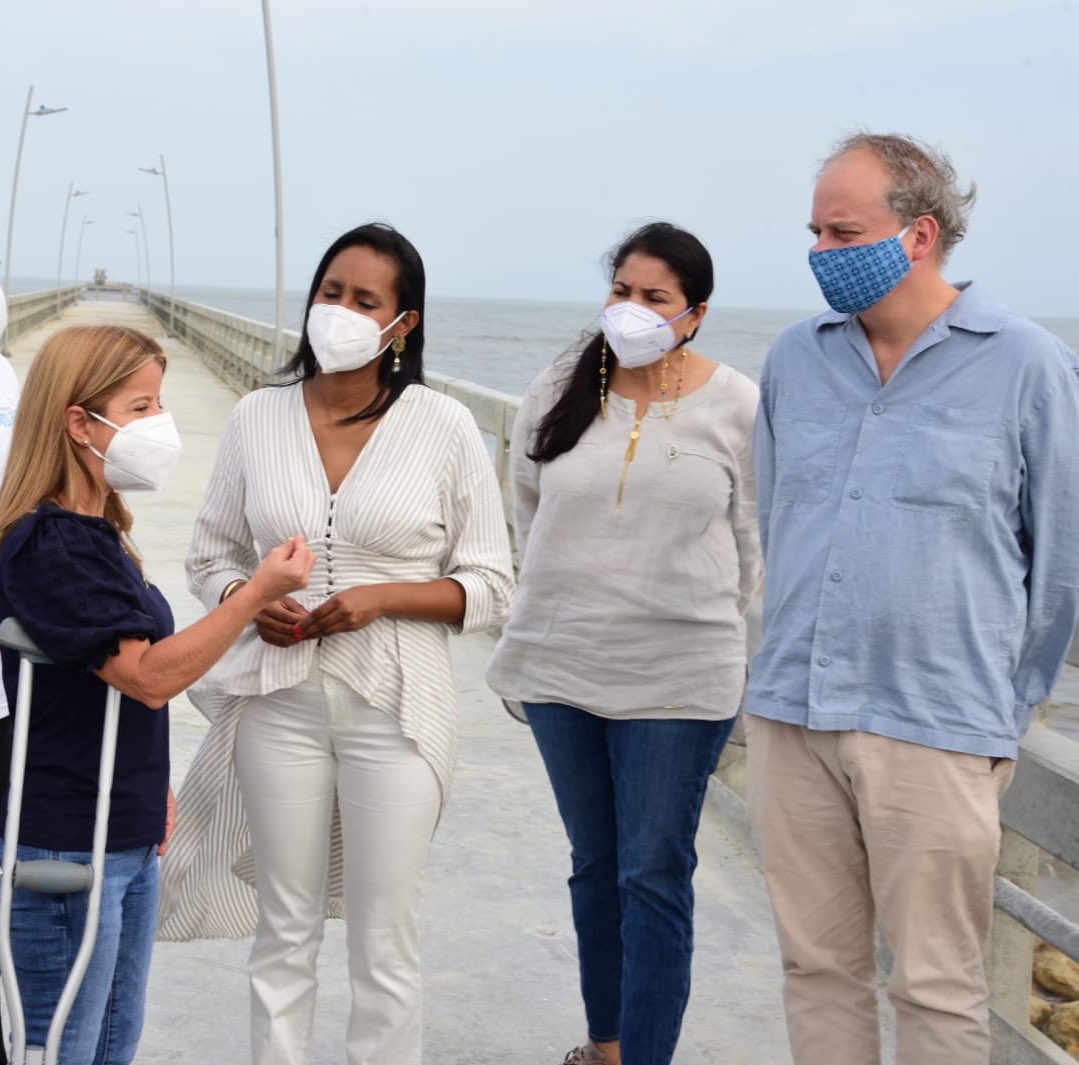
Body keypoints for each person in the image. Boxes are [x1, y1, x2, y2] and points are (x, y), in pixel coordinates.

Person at [745, 132, 1079, 1065]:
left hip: (936, 726)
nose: (820, 252)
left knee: (934, 985)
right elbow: (780, 520)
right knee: (815, 968)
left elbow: (1056, 571)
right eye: (812, 230)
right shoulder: (794, 360)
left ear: (920, 233)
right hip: (791, 711)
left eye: (843, 231)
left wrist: (995, 722)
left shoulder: (1027, 366)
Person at [159, 222, 515, 1065]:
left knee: (383, 935)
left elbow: (492, 585)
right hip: (275, 701)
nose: (341, 311)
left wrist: (382, 598)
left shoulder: (444, 426)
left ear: (403, 324)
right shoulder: (256, 417)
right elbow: (209, 553)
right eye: (331, 291)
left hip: (397, 707)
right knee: (282, 927)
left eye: (365, 300)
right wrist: (249, 602)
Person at [486, 222, 762, 1065]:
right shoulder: (557, 387)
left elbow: (755, 550)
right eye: (620, 289)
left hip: (679, 679)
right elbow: (529, 512)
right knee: (594, 866)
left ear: (695, 314)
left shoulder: (738, 406)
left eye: (654, 297)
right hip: (562, 667)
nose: (630, 309)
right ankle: (605, 1047)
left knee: (652, 874)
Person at [0, 324, 313, 1065]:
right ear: (79, 421)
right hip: (65, 838)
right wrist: (254, 593)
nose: (159, 426)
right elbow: (145, 675)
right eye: (141, 407)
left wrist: (151, 788)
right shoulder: (52, 542)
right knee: (58, 1048)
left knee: (111, 1040)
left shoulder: (95, 529)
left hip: (119, 831)